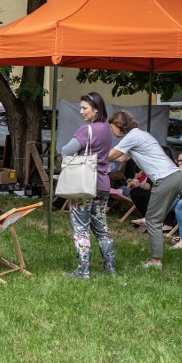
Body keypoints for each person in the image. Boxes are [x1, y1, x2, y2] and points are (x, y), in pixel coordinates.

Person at [108, 110, 182, 269]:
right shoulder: (141, 135)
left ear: (120, 125)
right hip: (175, 177)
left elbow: (112, 155)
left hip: (165, 179)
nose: (111, 130)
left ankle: (156, 262)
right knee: (155, 218)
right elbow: (122, 157)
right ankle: (149, 219)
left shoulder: (132, 137)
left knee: (154, 222)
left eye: (112, 126)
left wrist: (91, 156)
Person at [60, 92, 115, 278]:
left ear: (96, 110)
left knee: (81, 227)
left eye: (85, 108)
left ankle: (83, 270)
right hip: (103, 184)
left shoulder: (86, 130)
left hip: (84, 185)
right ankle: (110, 268)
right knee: (102, 228)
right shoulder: (107, 129)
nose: (81, 111)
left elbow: (66, 150)